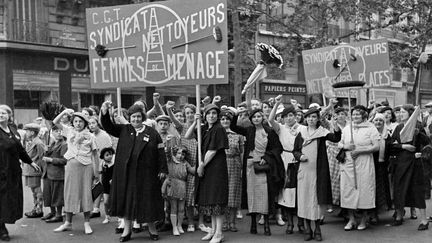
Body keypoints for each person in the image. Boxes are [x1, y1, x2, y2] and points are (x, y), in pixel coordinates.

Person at [100, 102, 167, 242]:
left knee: (147, 201)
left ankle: (152, 229)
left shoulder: (152, 133)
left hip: (147, 174)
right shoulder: (124, 130)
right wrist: (105, 112)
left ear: (142, 117)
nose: (136, 119)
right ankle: (127, 230)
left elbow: (161, 152)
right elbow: (108, 126)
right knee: (127, 201)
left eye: (138, 116)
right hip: (126, 175)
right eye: (133, 117)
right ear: (129, 118)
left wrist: (162, 169)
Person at [230, 107, 284, 237]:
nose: (256, 119)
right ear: (251, 119)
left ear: (262, 118)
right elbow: (233, 127)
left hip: (264, 167)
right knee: (251, 195)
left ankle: (266, 223)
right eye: (254, 117)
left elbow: (278, 148)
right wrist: (236, 114)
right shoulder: (249, 130)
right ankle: (253, 222)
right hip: (250, 166)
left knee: (264, 195)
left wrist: (266, 158)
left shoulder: (269, 131)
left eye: (259, 116)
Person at [292, 107, 341, 241]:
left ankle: (318, 229)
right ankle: (308, 229)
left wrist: (335, 125)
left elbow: (336, 138)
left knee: (316, 202)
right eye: (308, 117)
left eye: (314, 117)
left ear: (318, 119)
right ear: (305, 119)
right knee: (304, 200)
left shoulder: (322, 132)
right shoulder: (301, 132)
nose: (311, 120)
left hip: (318, 172)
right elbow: (295, 151)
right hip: (304, 171)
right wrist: (300, 156)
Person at [185, 104, 229, 243]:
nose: (211, 116)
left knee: (216, 200)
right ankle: (214, 231)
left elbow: (213, 150)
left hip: (215, 168)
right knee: (210, 200)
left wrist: (202, 165)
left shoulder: (219, 129)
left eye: (214, 113)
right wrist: (195, 121)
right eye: (209, 113)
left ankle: (219, 232)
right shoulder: (204, 129)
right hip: (206, 168)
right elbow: (188, 135)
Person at [52, 109, 98, 235]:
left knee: (86, 193)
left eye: (81, 121)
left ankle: (87, 223)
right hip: (71, 166)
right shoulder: (69, 131)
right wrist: (65, 112)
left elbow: (95, 154)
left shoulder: (91, 136)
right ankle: (68, 222)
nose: (78, 124)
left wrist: (97, 172)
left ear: (85, 123)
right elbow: (55, 121)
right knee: (69, 193)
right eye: (76, 121)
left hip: (86, 166)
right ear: (73, 122)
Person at [166, 102, 210, 233]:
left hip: (201, 164)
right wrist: (169, 109)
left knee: (202, 195)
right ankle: (190, 222)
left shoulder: (202, 127)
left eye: (192, 112)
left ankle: (201, 222)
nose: (190, 115)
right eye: (187, 113)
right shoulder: (182, 126)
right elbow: (173, 119)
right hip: (188, 166)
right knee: (190, 196)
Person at [0, 105, 41, 241]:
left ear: (9, 116)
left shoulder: (12, 129)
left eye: (4, 113)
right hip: (1, 171)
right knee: (3, 199)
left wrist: (30, 162)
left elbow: (20, 149)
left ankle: (3, 225)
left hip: (12, 172)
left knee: (10, 199)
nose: (1, 115)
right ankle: (2, 229)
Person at [339, 105, 379, 231]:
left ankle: (363, 219)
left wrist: (360, 150)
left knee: (365, 189)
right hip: (348, 162)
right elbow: (340, 143)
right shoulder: (347, 129)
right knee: (348, 190)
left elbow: (376, 146)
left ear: (364, 115)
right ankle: (351, 219)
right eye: (354, 114)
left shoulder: (371, 128)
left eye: (358, 114)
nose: (355, 116)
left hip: (364, 162)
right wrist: (346, 146)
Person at [390, 104, 430, 230]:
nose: (400, 114)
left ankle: (424, 220)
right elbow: (391, 146)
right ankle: (399, 215)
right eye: (399, 112)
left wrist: (419, 135)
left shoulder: (417, 126)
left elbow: (427, 143)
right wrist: (403, 146)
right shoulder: (399, 127)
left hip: (415, 163)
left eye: (403, 112)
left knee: (417, 191)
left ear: (411, 113)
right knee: (400, 189)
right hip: (401, 163)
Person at [268, 97, 304, 235]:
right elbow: (270, 120)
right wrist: (277, 104)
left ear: (296, 116)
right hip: (286, 161)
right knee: (288, 194)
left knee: (300, 194)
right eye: (285, 116)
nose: (288, 118)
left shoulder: (302, 128)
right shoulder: (281, 128)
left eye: (291, 115)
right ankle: (290, 223)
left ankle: (301, 223)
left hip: (300, 160)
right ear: (282, 119)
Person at [162, 142, 194, 236]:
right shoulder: (171, 161)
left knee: (181, 208)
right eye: (179, 153)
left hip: (182, 186)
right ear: (175, 153)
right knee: (174, 208)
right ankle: (174, 227)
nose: (181, 156)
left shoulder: (185, 163)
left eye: (183, 154)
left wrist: (200, 165)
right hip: (172, 185)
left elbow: (192, 170)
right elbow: (167, 152)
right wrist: (168, 143)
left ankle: (179, 225)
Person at [219, 110, 244, 233]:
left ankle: (232, 222)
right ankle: (223, 222)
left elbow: (241, 153)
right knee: (222, 195)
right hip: (220, 166)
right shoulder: (217, 134)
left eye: (227, 119)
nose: (225, 121)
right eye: (222, 119)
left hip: (234, 165)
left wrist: (242, 169)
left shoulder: (237, 136)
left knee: (233, 194)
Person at [41, 125, 67, 223]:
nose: (59, 133)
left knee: (57, 194)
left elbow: (64, 160)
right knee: (48, 194)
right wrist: (46, 151)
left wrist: (51, 159)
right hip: (47, 172)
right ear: (53, 132)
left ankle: (59, 214)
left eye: (60, 131)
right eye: (56, 131)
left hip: (57, 173)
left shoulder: (64, 144)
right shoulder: (52, 143)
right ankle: (52, 212)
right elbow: (45, 156)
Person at [88, 116, 113, 219]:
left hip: (102, 165)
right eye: (89, 124)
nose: (91, 125)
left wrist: (100, 168)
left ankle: (97, 209)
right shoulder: (91, 135)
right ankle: (96, 208)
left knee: (101, 186)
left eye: (93, 123)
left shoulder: (104, 135)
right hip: (93, 163)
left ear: (98, 123)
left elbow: (106, 153)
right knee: (97, 186)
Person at [371, 113, 392, 224]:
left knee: (382, 189)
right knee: (372, 189)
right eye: (376, 120)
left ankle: (380, 211)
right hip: (371, 165)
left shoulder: (387, 135)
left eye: (381, 120)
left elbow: (392, 148)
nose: (378, 122)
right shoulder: (370, 134)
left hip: (383, 166)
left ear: (384, 123)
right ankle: (372, 214)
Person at [22, 123, 46, 219]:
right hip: (30, 170)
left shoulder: (38, 143)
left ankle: (39, 209)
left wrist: (44, 171)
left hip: (35, 169)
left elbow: (42, 157)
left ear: (32, 132)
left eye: (27, 131)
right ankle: (36, 207)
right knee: (33, 190)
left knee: (36, 189)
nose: (26, 133)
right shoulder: (32, 141)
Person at [327, 107, 348, 207]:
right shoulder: (330, 125)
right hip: (333, 154)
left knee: (345, 179)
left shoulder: (350, 126)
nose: (340, 116)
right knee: (333, 178)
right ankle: (332, 202)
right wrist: (329, 105)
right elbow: (322, 118)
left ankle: (344, 204)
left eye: (342, 114)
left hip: (346, 153)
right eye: (338, 114)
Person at [99, 147, 115, 224]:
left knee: (115, 201)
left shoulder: (114, 164)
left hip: (113, 185)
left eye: (111, 154)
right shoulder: (102, 164)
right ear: (103, 157)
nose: (110, 156)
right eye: (107, 155)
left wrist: (113, 179)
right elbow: (101, 173)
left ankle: (120, 217)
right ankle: (107, 216)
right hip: (105, 186)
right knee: (106, 202)